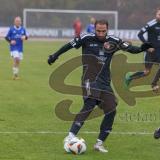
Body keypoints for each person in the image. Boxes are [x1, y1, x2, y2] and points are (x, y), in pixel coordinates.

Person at [48, 19, 152, 153]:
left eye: (103, 31)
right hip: (89, 79)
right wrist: (55, 55)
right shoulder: (86, 38)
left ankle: (99, 143)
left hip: (104, 82)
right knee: (90, 103)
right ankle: (70, 136)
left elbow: (130, 48)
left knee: (111, 109)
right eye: (98, 31)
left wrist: (141, 48)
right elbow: (69, 45)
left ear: (107, 30)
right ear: (94, 29)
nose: (101, 34)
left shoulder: (114, 41)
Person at [124, 7, 160, 100]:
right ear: (156, 15)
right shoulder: (151, 24)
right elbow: (140, 34)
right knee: (146, 72)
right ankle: (130, 77)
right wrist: (147, 46)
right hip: (150, 52)